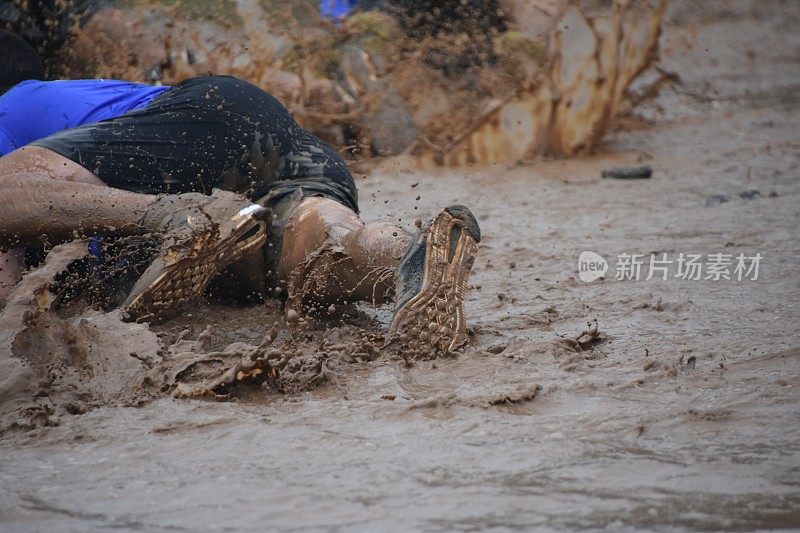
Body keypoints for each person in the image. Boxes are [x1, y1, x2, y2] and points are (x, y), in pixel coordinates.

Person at [0, 35, 480, 354]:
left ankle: (178, 217)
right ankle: (408, 259)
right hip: (277, 142)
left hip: (205, 122)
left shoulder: (14, 103)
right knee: (321, 251)